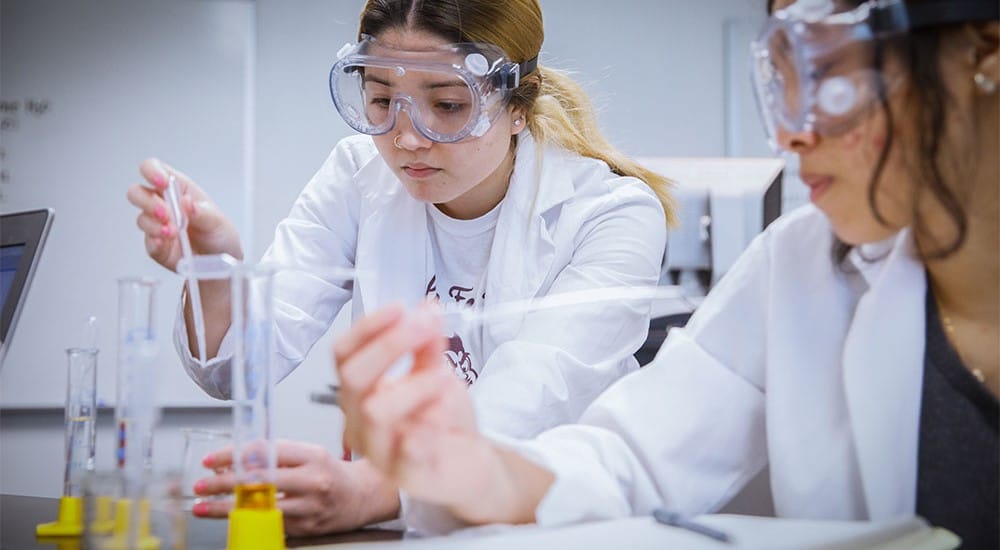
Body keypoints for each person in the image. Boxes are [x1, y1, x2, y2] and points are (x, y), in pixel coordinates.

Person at [332, 0, 1000, 545]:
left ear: (984, 52)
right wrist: (465, 465)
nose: (790, 135)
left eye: (830, 72)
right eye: (782, 77)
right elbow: (629, 461)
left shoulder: (614, 210)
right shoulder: (802, 267)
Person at [126, 0, 674, 536]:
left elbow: (534, 392)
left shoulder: (612, 214)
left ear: (517, 108)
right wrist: (214, 267)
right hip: (398, 530)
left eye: (449, 105)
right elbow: (238, 369)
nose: (407, 136)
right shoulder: (357, 175)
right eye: (382, 101)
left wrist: (374, 488)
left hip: (547, 530)